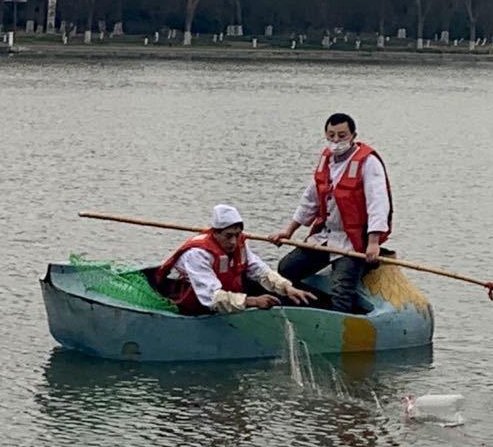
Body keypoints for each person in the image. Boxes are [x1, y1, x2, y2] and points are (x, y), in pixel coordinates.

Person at [269, 113, 393, 314]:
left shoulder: (368, 162)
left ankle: (341, 322)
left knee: (342, 288)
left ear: (353, 135)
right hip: (326, 236)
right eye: (331, 135)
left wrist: (373, 242)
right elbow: (310, 199)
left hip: (353, 241)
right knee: (287, 269)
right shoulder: (326, 159)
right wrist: (289, 231)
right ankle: (309, 308)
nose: (336, 141)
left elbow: (378, 204)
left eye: (342, 135)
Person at [156, 205, 318, 316]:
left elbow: (259, 270)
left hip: (223, 292)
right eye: (228, 236)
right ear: (215, 233)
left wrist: (287, 288)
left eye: (237, 234)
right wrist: (252, 301)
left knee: (270, 289)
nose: (234, 241)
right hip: (189, 298)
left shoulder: (238, 245)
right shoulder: (197, 254)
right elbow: (211, 298)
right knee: (253, 297)